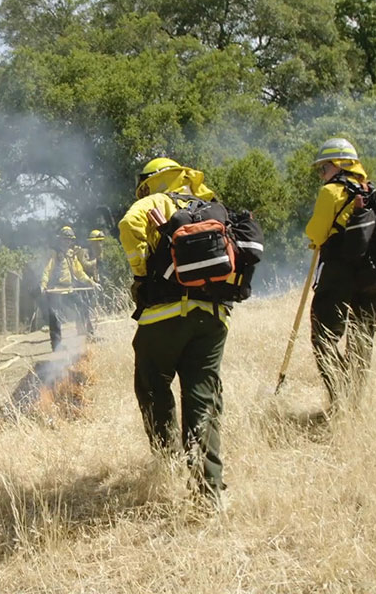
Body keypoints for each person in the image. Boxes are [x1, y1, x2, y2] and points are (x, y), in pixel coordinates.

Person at [118, 157, 229, 507]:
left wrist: (141, 268)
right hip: (212, 317)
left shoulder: (157, 201)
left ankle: (168, 463)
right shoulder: (211, 207)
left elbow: (128, 224)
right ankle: (208, 492)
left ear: (153, 181)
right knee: (201, 397)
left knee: (152, 387)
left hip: (163, 316)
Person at [306, 138, 376, 411]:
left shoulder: (331, 192)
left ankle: (339, 399)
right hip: (372, 276)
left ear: (337, 165)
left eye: (323, 168)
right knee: (362, 338)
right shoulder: (371, 191)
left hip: (339, 273)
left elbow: (316, 233)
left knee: (323, 336)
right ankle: (355, 402)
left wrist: (317, 238)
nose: (322, 174)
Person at [40, 225, 98, 351]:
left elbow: (79, 272)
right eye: (65, 239)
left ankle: (89, 335)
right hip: (56, 290)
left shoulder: (72, 254)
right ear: (60, 240)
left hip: (69, 289)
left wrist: (90, 282)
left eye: (69, 239)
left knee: (83, 307)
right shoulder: (54, 253)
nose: (67, 242)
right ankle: (57, 345)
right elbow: (47, 270)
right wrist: (43, 284)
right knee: (55, 317)